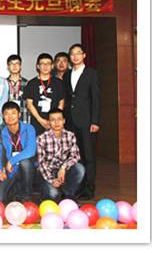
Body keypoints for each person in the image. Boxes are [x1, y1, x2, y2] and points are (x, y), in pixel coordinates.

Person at [63, 43, 100, 199]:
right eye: (72, 54)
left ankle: (89, 188)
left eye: (78, 53)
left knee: (88, 156)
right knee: (75, 156)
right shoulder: (67, 75)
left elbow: (96, 98)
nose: (75, 56)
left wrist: (95, 121)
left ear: (84, 55)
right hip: (71, 122)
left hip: (86, 121)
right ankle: (78, 186)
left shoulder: (91, 73)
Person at [36, 107, 85, 201]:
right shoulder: (41, 138)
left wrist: (63, 167)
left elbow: (75, 155)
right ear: (49, 123)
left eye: (59, 119)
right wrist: (51, 180)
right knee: (53, 195)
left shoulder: (70, 135)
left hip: (63, 170)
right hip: (47, 171)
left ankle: (68, 194)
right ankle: (49, 191)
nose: (56, 122)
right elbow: (41, 163)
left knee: (80, 169)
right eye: (53, 120)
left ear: (64, 121)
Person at [0, 102, 36, 203]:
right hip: (11, 171)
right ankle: (16, 190)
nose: (10, 116)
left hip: (27, 169)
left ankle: (26, 195)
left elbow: (31, 151)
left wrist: (11, 161)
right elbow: (1, 153)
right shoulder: (3, 132)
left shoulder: (29, 128)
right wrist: (1, 170)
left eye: (13, 113)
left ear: (19, 114)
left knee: (25, 162)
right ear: (3, 116)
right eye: (7, 114)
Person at [23, 53, 65, 136]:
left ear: (52, 66)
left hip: (55, 123)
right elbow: (29, 104)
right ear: (38, 66)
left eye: (48, 63)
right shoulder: (31, 83)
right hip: (37, 122)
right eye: (42, 64)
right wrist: (41, 120)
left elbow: (61, 103)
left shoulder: (59, 83)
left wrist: (54, 120)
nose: (45, 66)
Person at [6, 54, 29, 123]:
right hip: (8, 120)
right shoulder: (3, 83)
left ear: (20, 66)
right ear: (8, 67)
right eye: (11, 64)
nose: (14, 66)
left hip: (23, 118)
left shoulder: (28, 83)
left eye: (17, 63)